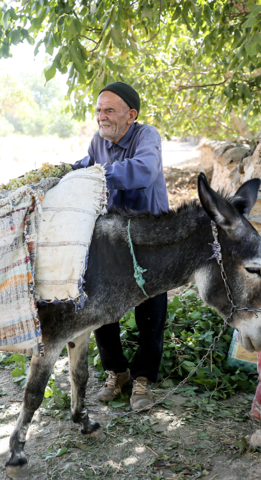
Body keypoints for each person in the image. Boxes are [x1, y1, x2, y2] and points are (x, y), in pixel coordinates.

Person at [73, 81, 169, 410]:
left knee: (150, 308)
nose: (101, 116)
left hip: (149, 237)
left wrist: (98, 174)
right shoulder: (97, 143)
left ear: (131, 115)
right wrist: (65, 174)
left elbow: (143, 171)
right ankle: (117, 371)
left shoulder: (147, 136)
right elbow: (85, 165)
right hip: (112, 238)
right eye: (98, 110)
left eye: (109, 110)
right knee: (101, 305)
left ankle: (143, 377)